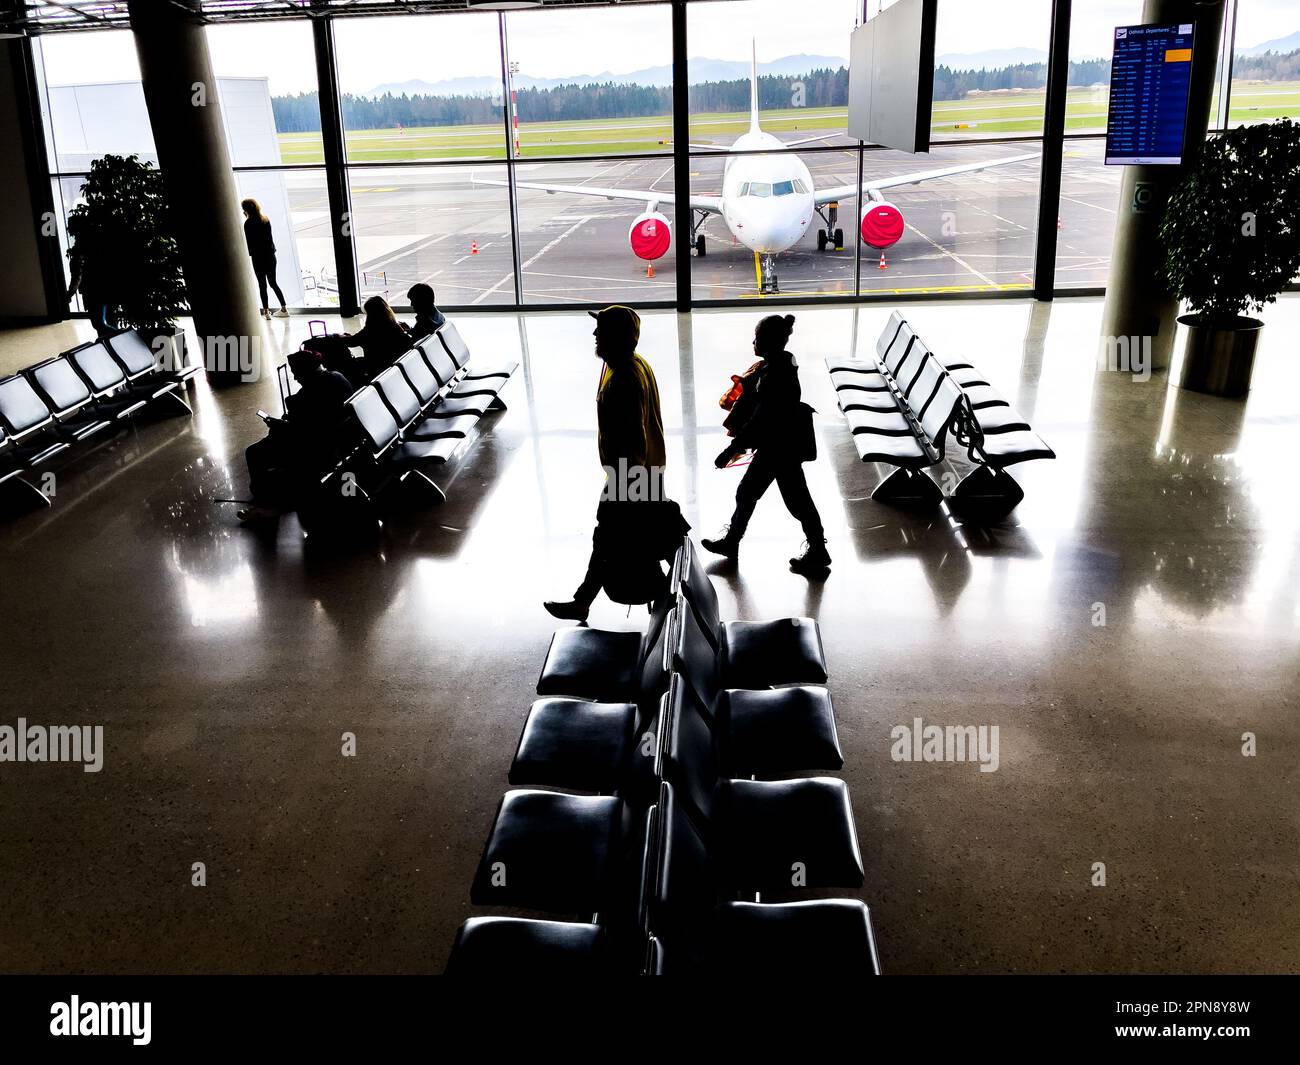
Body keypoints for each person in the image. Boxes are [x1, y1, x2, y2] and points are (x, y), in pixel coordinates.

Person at [544, 305, 685, 622]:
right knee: (625, 540)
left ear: (617, 337)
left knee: (621, 541)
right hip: (642, 472)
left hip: (630, 476)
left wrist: (626, 490)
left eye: (601, 330)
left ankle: (671, 601)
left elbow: (633, 435)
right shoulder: (632, 365)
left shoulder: (624, 379)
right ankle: (586, 601)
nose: (595, 334)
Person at [702, 314, 831, 575]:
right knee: (775, 496)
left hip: (779, 447)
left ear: (769, 342)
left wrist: (731, 450)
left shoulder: (772, 376)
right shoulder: (779, 365)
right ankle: (815, 547)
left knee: (787, 498)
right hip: (782, 444)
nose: (753, 342)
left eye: (758, 338)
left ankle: (817, 549)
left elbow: (761, 421)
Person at [238, 349, 353, 523]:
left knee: (254, 452)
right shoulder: (338, 377)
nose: (294, 378)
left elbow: (299, 431)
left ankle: (265, 500)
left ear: (304, 371)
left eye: (295, 373)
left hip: (315, 447)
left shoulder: (306, 397)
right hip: (339, 439)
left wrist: (277, 425)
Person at [342, 296, 411, 381]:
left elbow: (352, 342)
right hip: (392, 367)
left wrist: (337, 337)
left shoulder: (371, 330)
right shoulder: (395, 326)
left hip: (376, 370)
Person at [241, 199, 289, 320]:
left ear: (246, 210)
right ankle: (284, 309)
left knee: (262, 285)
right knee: (273, 283)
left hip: (258, 258)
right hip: (270, 256)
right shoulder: (265, 219)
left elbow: (249, 244)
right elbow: (269, 239)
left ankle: (266, 313)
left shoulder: (248, 223)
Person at [66, 244, 113, 337]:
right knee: (104, 322)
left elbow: (76, 279)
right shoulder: (94, 254)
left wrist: (69, 294)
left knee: (98, 324)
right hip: (102, 291)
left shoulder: (76, 260)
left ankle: (121, 336)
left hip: (91, 294)